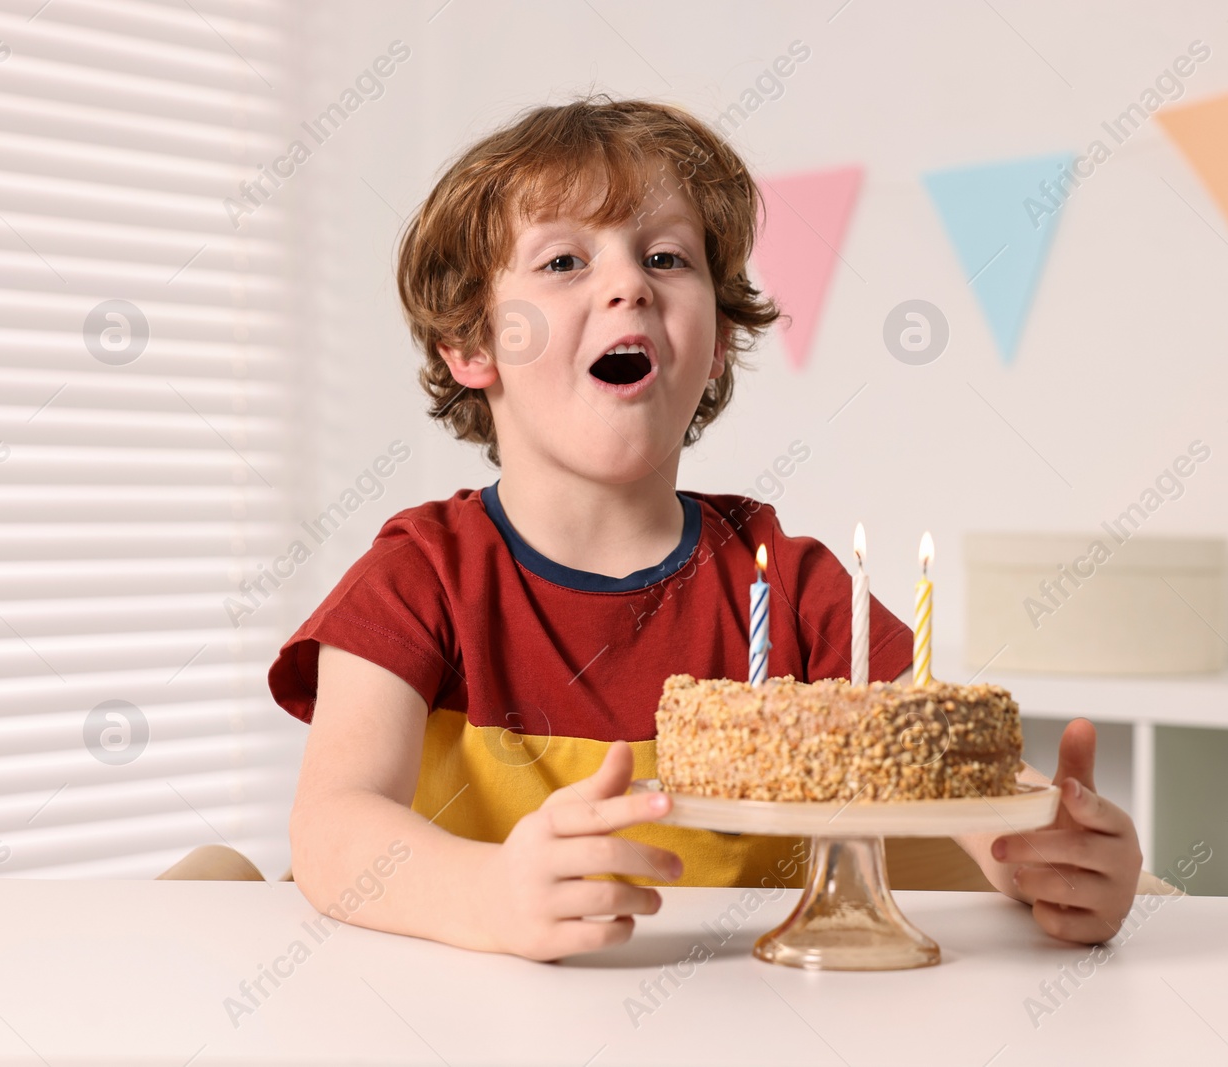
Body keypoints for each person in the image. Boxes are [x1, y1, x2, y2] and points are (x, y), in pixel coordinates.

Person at [164, 96, 1147, 960]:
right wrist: (492, 895)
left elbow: (947, 775)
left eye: (665, 257)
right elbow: (333, 826)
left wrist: (1048, 860)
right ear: (470, 343)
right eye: (562, 260)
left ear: (717, 342)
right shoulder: (419, 576)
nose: (628, 283)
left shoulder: (792, 588)